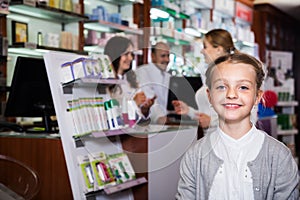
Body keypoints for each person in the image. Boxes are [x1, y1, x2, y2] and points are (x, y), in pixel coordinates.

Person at [176, 52, 299, 199]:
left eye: (243, 87)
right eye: (221, 86)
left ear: (257, 97)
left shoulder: (279, 156)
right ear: (209, 96)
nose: (231, 94)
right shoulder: (194, 155)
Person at [172, 29, 237, 134]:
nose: (202, 51)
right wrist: (189, 111)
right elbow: (208, 114)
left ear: (218, 49)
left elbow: (245, 115)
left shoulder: (234, 75)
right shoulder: (209, 75)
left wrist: (213, 122)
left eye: (205, 47)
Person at [104, 36, 164, 124]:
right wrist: (133, 103)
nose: (131, 58)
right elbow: (112, 115)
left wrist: (145, 108)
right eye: (126, 54)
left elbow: (139, 116)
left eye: (131, 54)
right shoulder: (105, 82)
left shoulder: (131, 79)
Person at [135, 42, 171, 122]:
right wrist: (160, 117)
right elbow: (149, 99)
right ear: (152, 56)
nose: (167, 60)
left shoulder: (168, 76)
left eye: (168, 56)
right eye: (163, 56)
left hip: (167, 122)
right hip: (150, 123)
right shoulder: (143, 71)